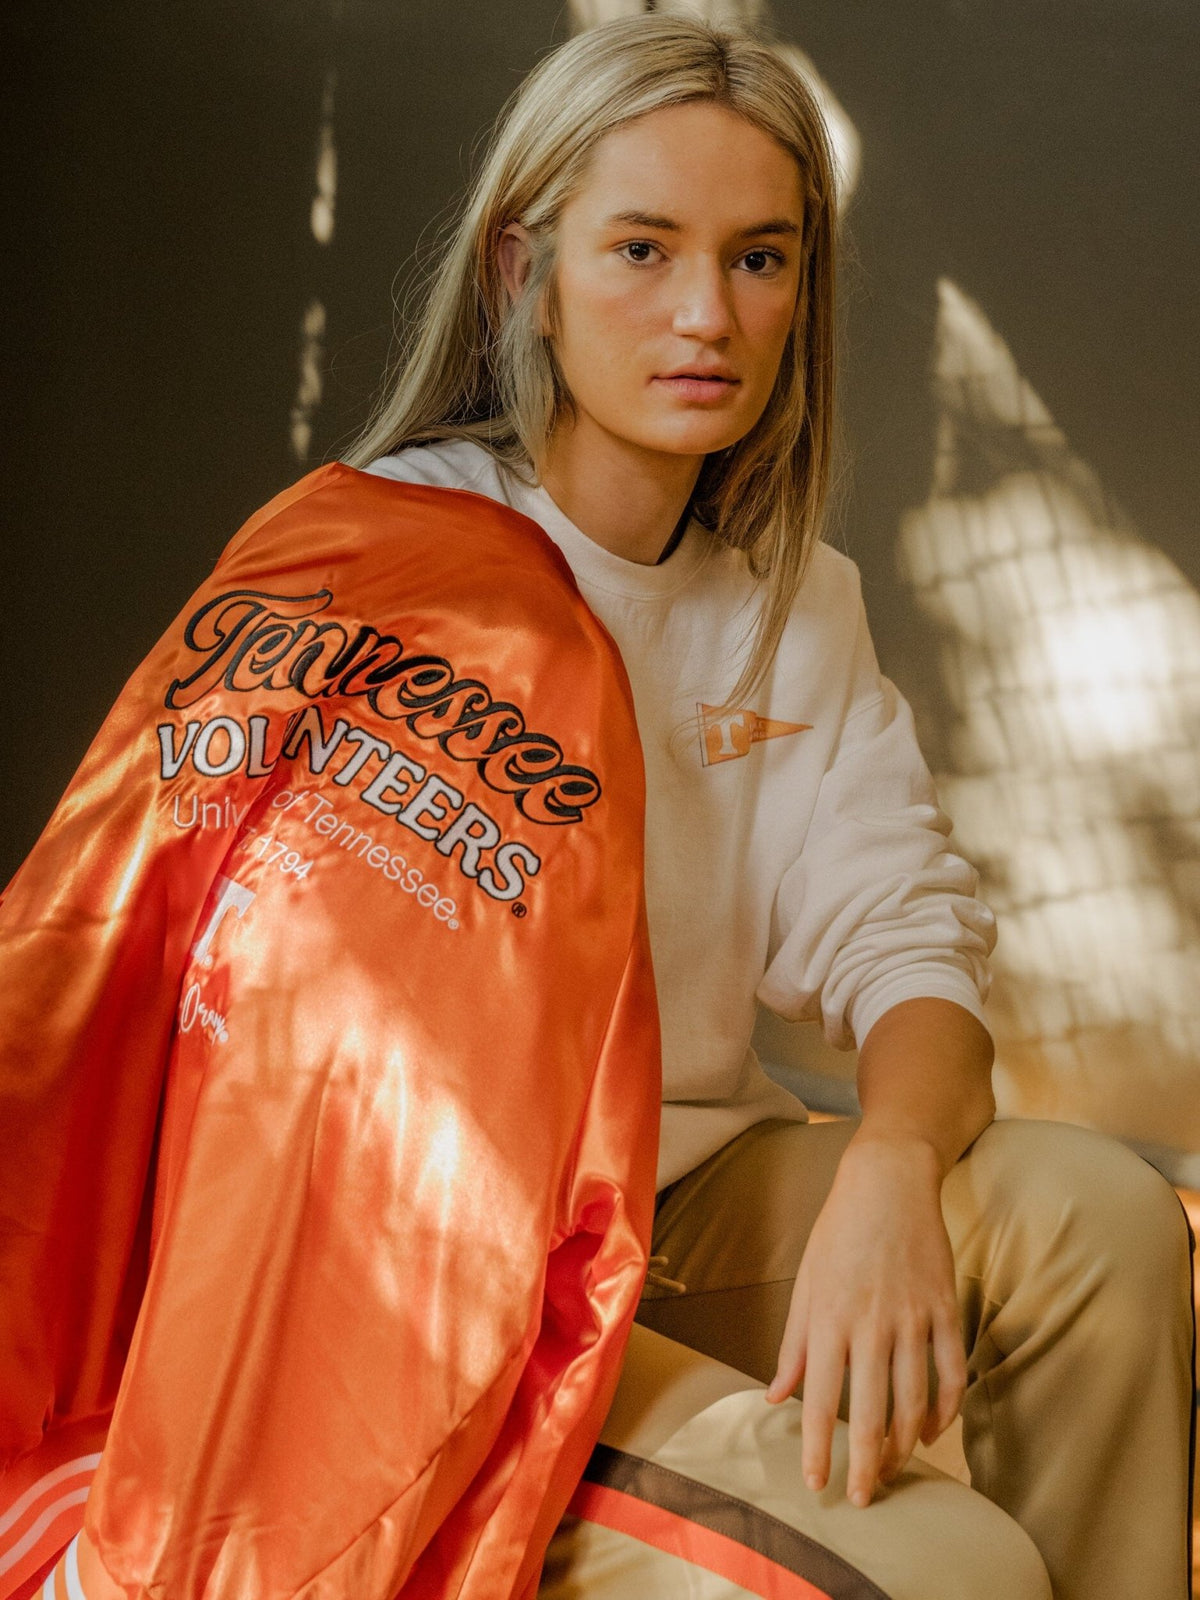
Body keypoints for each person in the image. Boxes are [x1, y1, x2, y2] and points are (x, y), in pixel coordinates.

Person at [0, 13, 1193, 1600]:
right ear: (521, 273)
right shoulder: (367, 562)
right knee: (945, 1573)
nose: (709, 312)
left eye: (761, 259)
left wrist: (892, 1174)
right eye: (642, 248)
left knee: (1103, 1220)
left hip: (681, 1193)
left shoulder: (792, 606)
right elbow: (196, 996)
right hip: (418, 1251)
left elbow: (910, 942)